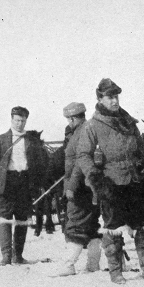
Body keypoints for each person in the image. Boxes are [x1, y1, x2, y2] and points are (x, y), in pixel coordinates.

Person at [75, 78, 144, 284]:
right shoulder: (92, 126)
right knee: (114, 228)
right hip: (111, 183)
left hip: (135, 180)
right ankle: (116, 272)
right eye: (110, 97)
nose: (115, 101)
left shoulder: (129, 122)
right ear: (100, 99)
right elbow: (82, 155)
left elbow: (140, 148)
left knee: (142, 225)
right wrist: (96, 178)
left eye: (116, 96)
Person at [0, 106, 47, 266]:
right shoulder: (1, 139)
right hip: (7, 182)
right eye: (17, 120)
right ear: (12, 120)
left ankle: (18, 256)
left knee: (22, 219)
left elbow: (39, 164)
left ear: (26, 121)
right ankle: (6, 256)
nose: (19, 124)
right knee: (5, 218)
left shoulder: (31, 140)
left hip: (25, 182)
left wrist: (39, 184)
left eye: (22, 121)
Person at [57, 102, 102, 276]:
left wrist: (71, 187)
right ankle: (93, 264)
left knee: (75, 224)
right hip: (89, 186)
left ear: (73, 118)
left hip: (80, 187)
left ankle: (69, 265)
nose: (68, 122)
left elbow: (79, 163)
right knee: (91, 226)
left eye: (69, 119)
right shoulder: (86, 130)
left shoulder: (82, 132)